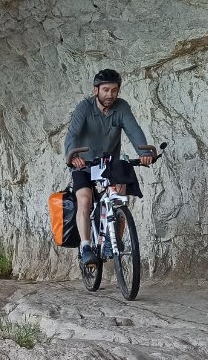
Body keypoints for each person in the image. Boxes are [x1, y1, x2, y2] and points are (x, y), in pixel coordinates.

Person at [63, 68, 153, 267]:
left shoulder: (122, 108)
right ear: (96, 90)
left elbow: (134, 131)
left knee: (119, 198)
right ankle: (86, 246)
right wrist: (74, 155)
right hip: (84, 164)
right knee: (85, 200)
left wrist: (145, 153)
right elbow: (72, 135)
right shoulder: (84, 108)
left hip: (108, 163)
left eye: (114, 90)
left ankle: (113, 240)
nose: (109, 95)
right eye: (105, 90)